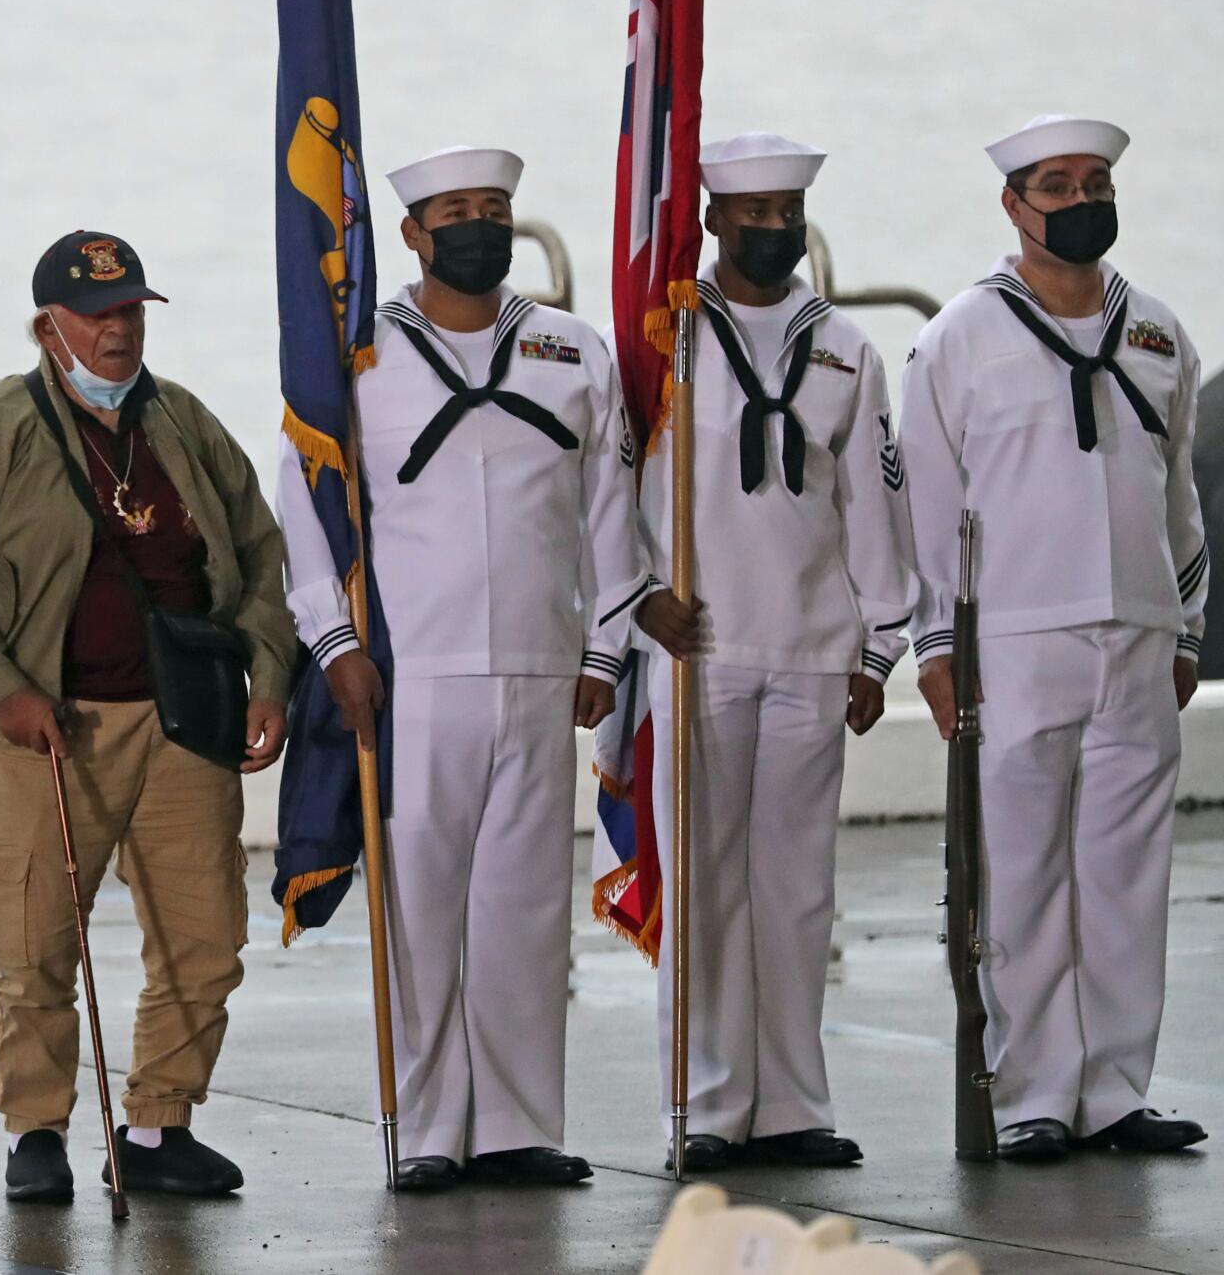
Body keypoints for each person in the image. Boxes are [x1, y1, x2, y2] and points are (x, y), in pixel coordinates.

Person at [276, 146, 673, 1192]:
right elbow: (307, 511)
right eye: (453, 212)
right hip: (415, 674)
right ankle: (423, 1127)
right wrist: (334, 645)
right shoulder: (355, 357)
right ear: (408, 234)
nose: (478, 228)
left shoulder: (569, 348)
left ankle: (514, 1125)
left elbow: (610, 511)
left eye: (493, 210)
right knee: (421, 908)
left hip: (543, 670)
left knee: (522, 908)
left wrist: (604, 646)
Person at [0, 230, 294, 1204]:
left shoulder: (184, 421)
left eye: (129, 311)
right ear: (50, 326)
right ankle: (35, 1129)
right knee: (33, 936)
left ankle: (159, 1123)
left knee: (204, 933)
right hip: (44, 730)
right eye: (97, 315)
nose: (117, 331)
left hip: (178, 724)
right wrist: (5, 693)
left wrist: (266, 678)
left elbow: (260, 559)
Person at [902, 115, 1207, 1162]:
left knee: (1125, 873)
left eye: (1095, 183)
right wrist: (935, 646)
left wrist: (1184, 625)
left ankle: (1113, 1090)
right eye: (1057, 186)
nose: (1080, 202)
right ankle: (1031, 1092)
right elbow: (930, 510)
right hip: (1014, 641)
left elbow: (1178, 501)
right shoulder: (957, 337)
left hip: (1136, 633)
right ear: (1013, 206)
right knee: (1020, 874)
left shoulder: (1158, 329)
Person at [634, 134, 916, 1173]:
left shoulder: (842, 345)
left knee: (796, 886)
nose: (768, 229)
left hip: (809, 648)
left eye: (783, 212)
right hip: (696, 644)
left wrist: (880, 641)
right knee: (705, 879)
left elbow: (873, 502)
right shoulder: (665, 336)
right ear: (710, 220)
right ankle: (704, 1103)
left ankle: (791, 1100)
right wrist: (632, 604)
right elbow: (620, 486)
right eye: (748, 212)